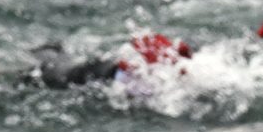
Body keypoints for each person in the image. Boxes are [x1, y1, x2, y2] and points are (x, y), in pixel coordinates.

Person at [26, 32, 193, 90]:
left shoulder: (185, 72)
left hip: (108, 71)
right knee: (49, 75)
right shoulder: (134, 72)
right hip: (82, 75)